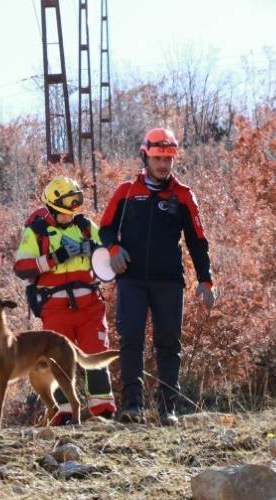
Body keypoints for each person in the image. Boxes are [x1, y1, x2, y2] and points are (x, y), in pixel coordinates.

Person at [99, 128, 216, 425]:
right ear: (145, 156)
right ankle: (133, 406)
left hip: (169, 281)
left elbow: (198, 241)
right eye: (158, 158)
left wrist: (206, 280)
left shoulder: (184, 195)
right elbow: (105, 227)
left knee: (168, 342)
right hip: (131, 279)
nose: (163, 164)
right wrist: (113, 249)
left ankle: (168, 410)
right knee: (131, 339)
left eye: (168, 158)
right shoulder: (126, 191)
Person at [13, 176, 115, 424]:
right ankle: (64, 415)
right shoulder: (36, 232)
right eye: (65, 209)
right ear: (52, 207)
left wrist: (94, 248)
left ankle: (103, 412)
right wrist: (53, 258)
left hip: (90, 305)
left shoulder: (85, 226)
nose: (71, 214)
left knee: (96, 353)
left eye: (74, 208)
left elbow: (108, 255)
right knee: (57, 361)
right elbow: (21, 267)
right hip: (56, 308)